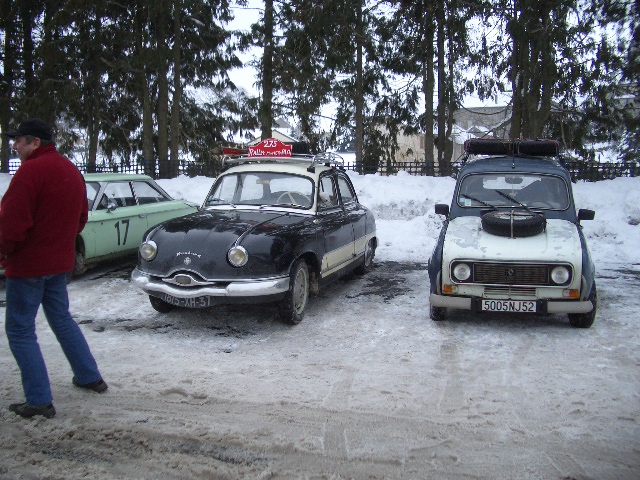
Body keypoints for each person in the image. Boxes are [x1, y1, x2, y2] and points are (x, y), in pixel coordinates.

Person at [1, 119, 107, 419]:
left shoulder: (29, 173)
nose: (15, 145)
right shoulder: (70, 170)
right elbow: (81, 217)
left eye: (19, 140)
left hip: (28, 267)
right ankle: (89, 377)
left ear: (35, 142)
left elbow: (11, 226)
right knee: (61, 319)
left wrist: (3, 251)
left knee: (20, 331)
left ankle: (38, 400)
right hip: (59, 264)